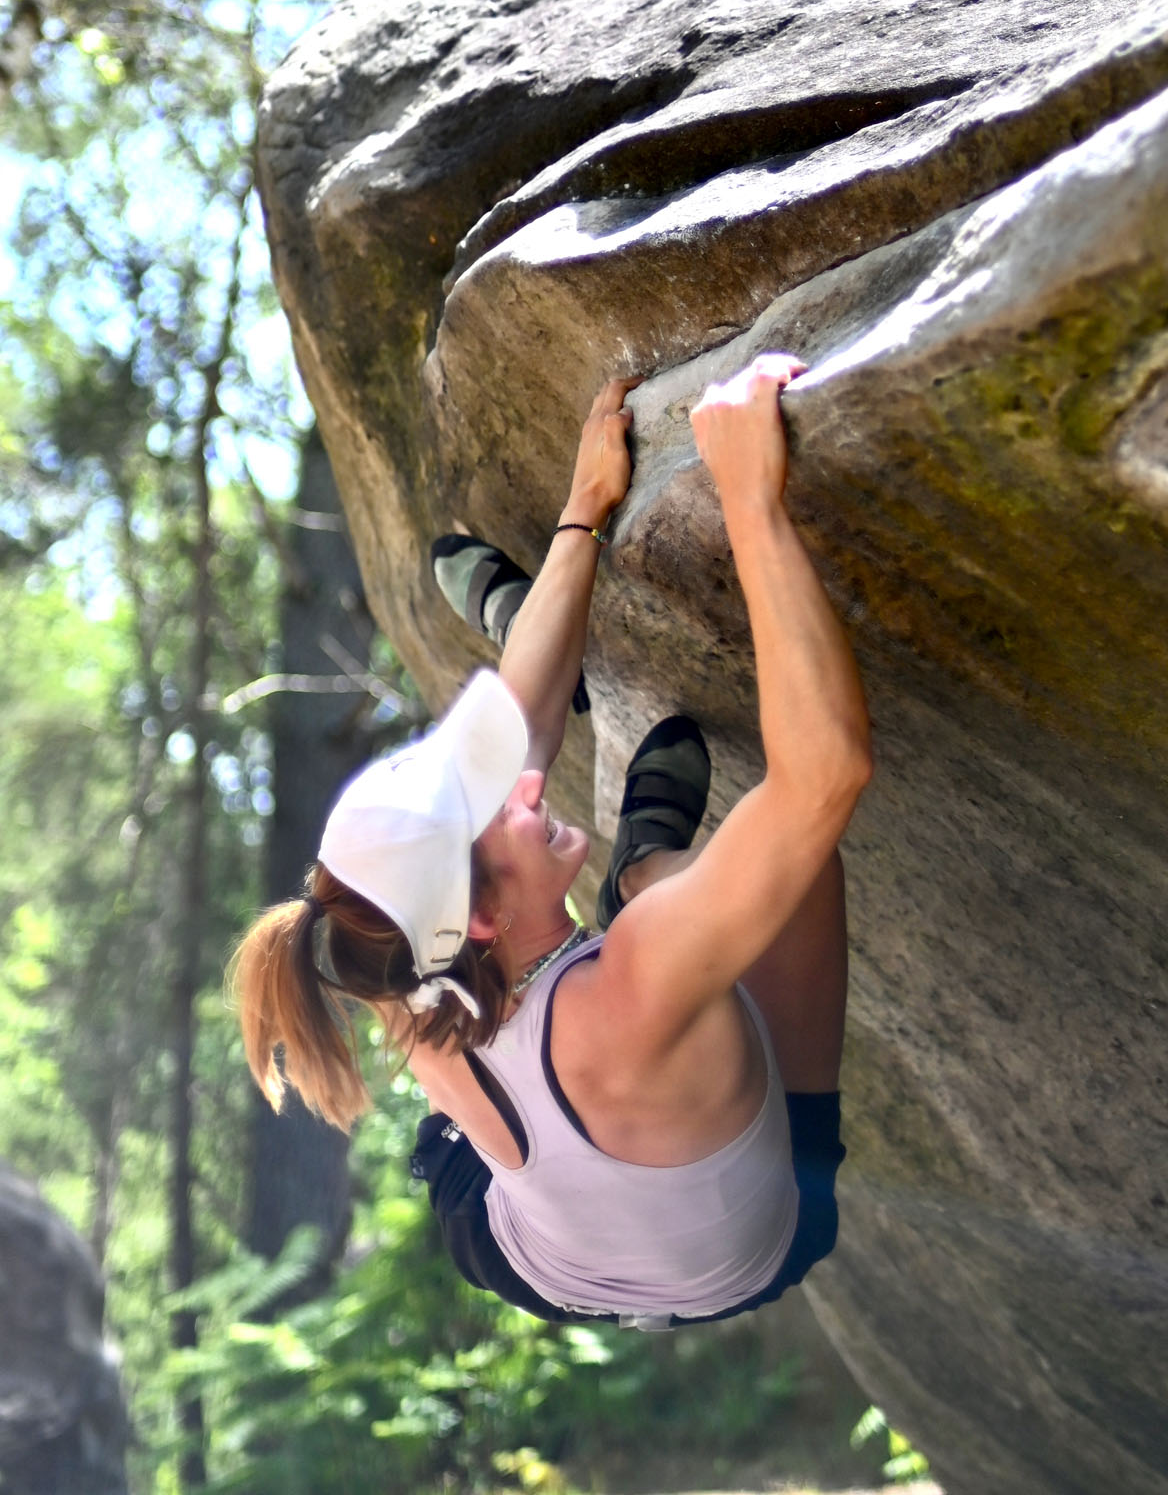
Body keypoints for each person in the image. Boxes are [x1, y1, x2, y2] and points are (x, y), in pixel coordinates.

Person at [230, 356, 870, 1327]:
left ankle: (538, 629)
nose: (531, 779)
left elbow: (517, 739)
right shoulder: (641, 975)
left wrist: (584, 512)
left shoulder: (405, 970)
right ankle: (646, 861)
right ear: (481, 915)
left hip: (535, 1254)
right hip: (761, 1250)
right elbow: (823, 776)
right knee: (778, 870)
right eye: (500, 800)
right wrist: (751, 497)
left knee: (557, 803)